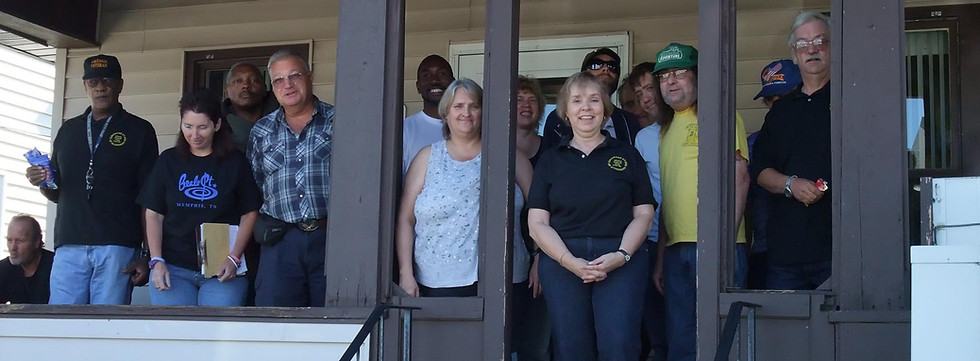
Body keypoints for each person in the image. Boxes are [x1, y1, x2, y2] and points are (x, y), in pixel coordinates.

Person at [528, 72, 656, 361]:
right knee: (572, 348)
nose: (586, 107)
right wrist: (569, 261)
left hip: (622, 259)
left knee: (619, 345)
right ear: (566, 112)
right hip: (563, 261)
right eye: (577, 101)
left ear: (605, 108)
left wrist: (622, 255)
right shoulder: (550, 160)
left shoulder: (627, 154)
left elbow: (644, 214)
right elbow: (537, 224)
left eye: (594, 100)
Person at [25, 54, 158, 305]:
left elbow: (149, 198)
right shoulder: (68, 130)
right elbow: (57, 190)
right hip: (70, 242)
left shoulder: (139, 130)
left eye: (107, 80)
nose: (100, 86)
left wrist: (146, 253)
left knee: (106, 325)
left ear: (120, 84)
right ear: (85, 86)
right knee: (62, 323)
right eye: (93, 81)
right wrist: (42, 181)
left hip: (117, 244)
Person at [651, 43, 749, 361]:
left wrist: (722, 245)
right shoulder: (665, 129)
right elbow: (670, 196)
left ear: (697, 76)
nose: (672, 80)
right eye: (664, 75)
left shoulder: (718, 113)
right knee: (680, 342)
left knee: (722, 342)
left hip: (717, 247)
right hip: (677, 250)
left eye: (680, 72)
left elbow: (740, 176)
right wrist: (661, 257)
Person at [397, 78, 533, 298]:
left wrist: (538, 258)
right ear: (446, 113)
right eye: (458, 106)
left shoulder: (509, 156)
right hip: (436, 282)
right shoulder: (426, 158)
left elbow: (538, 210)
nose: (466, 113)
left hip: (505, 280)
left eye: (474, 106)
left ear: (482, 111)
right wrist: (405, 273)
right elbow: (406, 218)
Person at [137, 89, 262, 306]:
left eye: (202, 127)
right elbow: (154, 214)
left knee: (217, 334)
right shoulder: (168, 161)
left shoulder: (235, 163)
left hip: (222, 268)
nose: (195, 135)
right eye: (188, 126)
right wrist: (156, 261)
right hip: (173, 267)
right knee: (174, 334)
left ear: (217, 125)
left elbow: (250, 212)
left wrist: (234, 257)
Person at [752, 12, 833, 290]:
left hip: (839, 249)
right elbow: (760, 171)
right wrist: (791, 184)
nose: (812, 49)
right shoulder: (781, 111)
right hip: (786, 252)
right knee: (786, 331)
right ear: (795, 54)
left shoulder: (850, 100)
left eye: (820, 41)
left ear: (833, 48)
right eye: (803, 44)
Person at [247, 49, 333, 307]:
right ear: (272, 88)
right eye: (278, 80)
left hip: (330, 238)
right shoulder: (261, 131)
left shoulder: (339, 121)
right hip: (280, 242)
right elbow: (256, 185)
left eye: (294, 76)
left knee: (335, 320)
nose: (288, 85)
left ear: (310, 76)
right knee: (275, 325)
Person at [745, 59, 801, 289]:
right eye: (770, 99)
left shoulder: (817, 136)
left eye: (783, 97)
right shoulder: (754, 142)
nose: (776, 104)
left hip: (809, 249)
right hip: (764, 249)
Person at [628, 61, 672, 361]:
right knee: (655, 322)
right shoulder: (643, 138)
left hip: (687, 236)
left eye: (649, 87)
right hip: (651, 237)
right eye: (639, 91)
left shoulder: (690, 124)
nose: (645, 97)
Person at [514, 75, 552, 361]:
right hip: (505, 259)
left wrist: (541, 256)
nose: (526, 106)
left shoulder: (554, 150)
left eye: (532, 100)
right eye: (518, 99)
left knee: (536, 343)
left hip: (545, 254)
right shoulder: (488, 149)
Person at [540, 48, 642, 150]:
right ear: (583, 74)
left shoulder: (628, 121)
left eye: (612, 66)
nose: (606, 69)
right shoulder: (557, 119)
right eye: (597, 64)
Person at [403, 55, 455, 175]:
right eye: (426, 76)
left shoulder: (468, 126)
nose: (434, 80)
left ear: (453, 82)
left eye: (442, 74)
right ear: (418, 87)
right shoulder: (404, 130)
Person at [222, 62, 280, 153]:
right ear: (227, 91)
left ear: (264, 89)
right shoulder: (216, 123)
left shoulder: (284, 115)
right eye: (238, 81)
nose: (246, 86)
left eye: (254, 81)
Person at [0, 215, 54, 304]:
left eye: (20, 241)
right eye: (9, 240)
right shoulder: (4, 269)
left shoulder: (55, 267)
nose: (13, 247)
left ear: (37, 241)